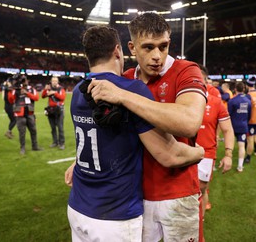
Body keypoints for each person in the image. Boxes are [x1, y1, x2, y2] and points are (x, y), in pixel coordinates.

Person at [65, 25, 204, 242]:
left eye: (163, 46)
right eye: (148, 47)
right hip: (124, 205)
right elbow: (168, 154)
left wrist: (123, 96)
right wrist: (200, 153)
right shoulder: (128, 81)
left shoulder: (80, 90)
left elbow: (189, 123)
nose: (157, 56)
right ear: (126, 49)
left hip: (173, 191)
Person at [196, 65, 234, 219]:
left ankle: (200, 222)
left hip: (206, 153)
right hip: (182, 151)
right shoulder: (180, 100)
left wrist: (228, 154)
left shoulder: (215, 102)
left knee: (202, 189)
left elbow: (228, 130)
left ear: (206, 81)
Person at [8, 74, 42, 154]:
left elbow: (36, 98)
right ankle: (22, 148)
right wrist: (13, 90)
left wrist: (27, 93)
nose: (24, 82)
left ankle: (35, 146)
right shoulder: (16, 89)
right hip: (20, 113)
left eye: (25, 80)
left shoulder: (31, 89)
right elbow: (10, 100)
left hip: (30, 113)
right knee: (22, 132)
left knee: (33, 130)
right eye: (23, 80)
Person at [228, 82, 251, 172]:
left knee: (230, 145)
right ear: (244, 89)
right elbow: (249, 115)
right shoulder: (248, 101)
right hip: (243, 125)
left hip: (233, 126)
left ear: (235, 89)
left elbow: (228, 114)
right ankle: (240, 166)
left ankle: (228, 161)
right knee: (241, 146)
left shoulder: (232, 101)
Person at [41, 76, 66, 150]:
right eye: (53, 81)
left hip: (59, 110)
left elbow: (62, 98)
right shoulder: (48, 88)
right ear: (51, 81)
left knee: (60, 127)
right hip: (51, 110)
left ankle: (61, 143)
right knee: (53, 127)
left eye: (55, 81)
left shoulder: (60, 89)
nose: (54, 82)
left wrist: (54, 93)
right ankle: (55, 142)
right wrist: (45, 90)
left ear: (58, 82)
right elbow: (43, 96)